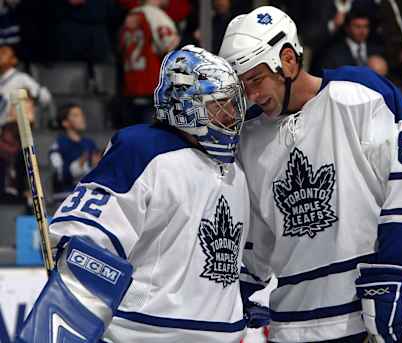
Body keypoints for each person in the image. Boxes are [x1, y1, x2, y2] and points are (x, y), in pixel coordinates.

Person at [219, 6, 402, 343]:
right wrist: (241, 293)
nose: (251, 94)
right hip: (297, 328)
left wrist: (394, 277)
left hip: (394, 313)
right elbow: (254, 238)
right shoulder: (249, 137)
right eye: (242, 85)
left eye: (256, 79)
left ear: (288, 61)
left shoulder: (360, 95)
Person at [17, 45, 264, 343]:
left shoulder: (235, 168)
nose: (232, 115)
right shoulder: (143, 150)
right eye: (220, 105)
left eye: (234, 105)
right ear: (185, 106)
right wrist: (71, 305)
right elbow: (85, 237)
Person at [119, 0, 179, 127]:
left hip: (132, 82)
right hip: (152, 83)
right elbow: (170, 46)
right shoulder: (156, 16)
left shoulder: (131, 16)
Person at [49, 103, 101, 202]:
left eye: (81, 115)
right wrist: (78, 165)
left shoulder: (90, 143)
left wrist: (97, 167)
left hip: (88, 196)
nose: (82, 118)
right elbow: (60, 174)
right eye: (76, 115)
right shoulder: (58, 145)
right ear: (65, 122)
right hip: (65, 197)